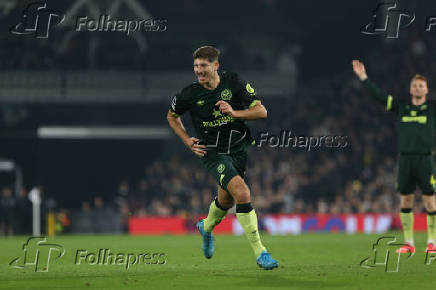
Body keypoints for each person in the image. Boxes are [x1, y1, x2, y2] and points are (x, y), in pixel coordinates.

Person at [167, 46, 278, 269]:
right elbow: (172, 116)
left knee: (226, 201)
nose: (199, 70)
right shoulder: (189, 94)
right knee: (242, 192)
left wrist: (235, 113)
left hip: (238, 150)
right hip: (212, 152)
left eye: (203, 66)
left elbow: (261, 111)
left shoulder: (233, 82)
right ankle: (261, 252)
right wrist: (187, 140)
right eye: (196, 66)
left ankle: (206, 228)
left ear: (215, 66)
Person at [352, 60, 436, 253]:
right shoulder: (402, 106)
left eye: (421, 85)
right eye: (414, 85)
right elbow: (380, 96)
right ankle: (409, 243)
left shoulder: (432, 109)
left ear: (427, 89)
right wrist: (364, 78)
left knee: (430, 201)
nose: (417, 87)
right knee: (405, 201)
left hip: (425, 159)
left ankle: (432, 243)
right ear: (410, 89)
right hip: (405, 159)